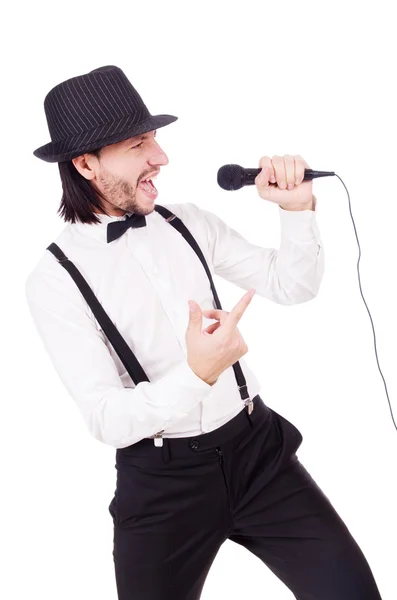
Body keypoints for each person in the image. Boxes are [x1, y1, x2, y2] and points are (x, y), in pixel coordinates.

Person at [25, 65, 383, 600]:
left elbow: (292, 285)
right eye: (138, 144)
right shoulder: (54, 280)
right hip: (163, 486)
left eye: (155, 139)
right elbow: (106, 417)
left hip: (258, 453)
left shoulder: (187, 221)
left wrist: (295, 209)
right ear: (85, 164)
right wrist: (198, 374)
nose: (161, 158)